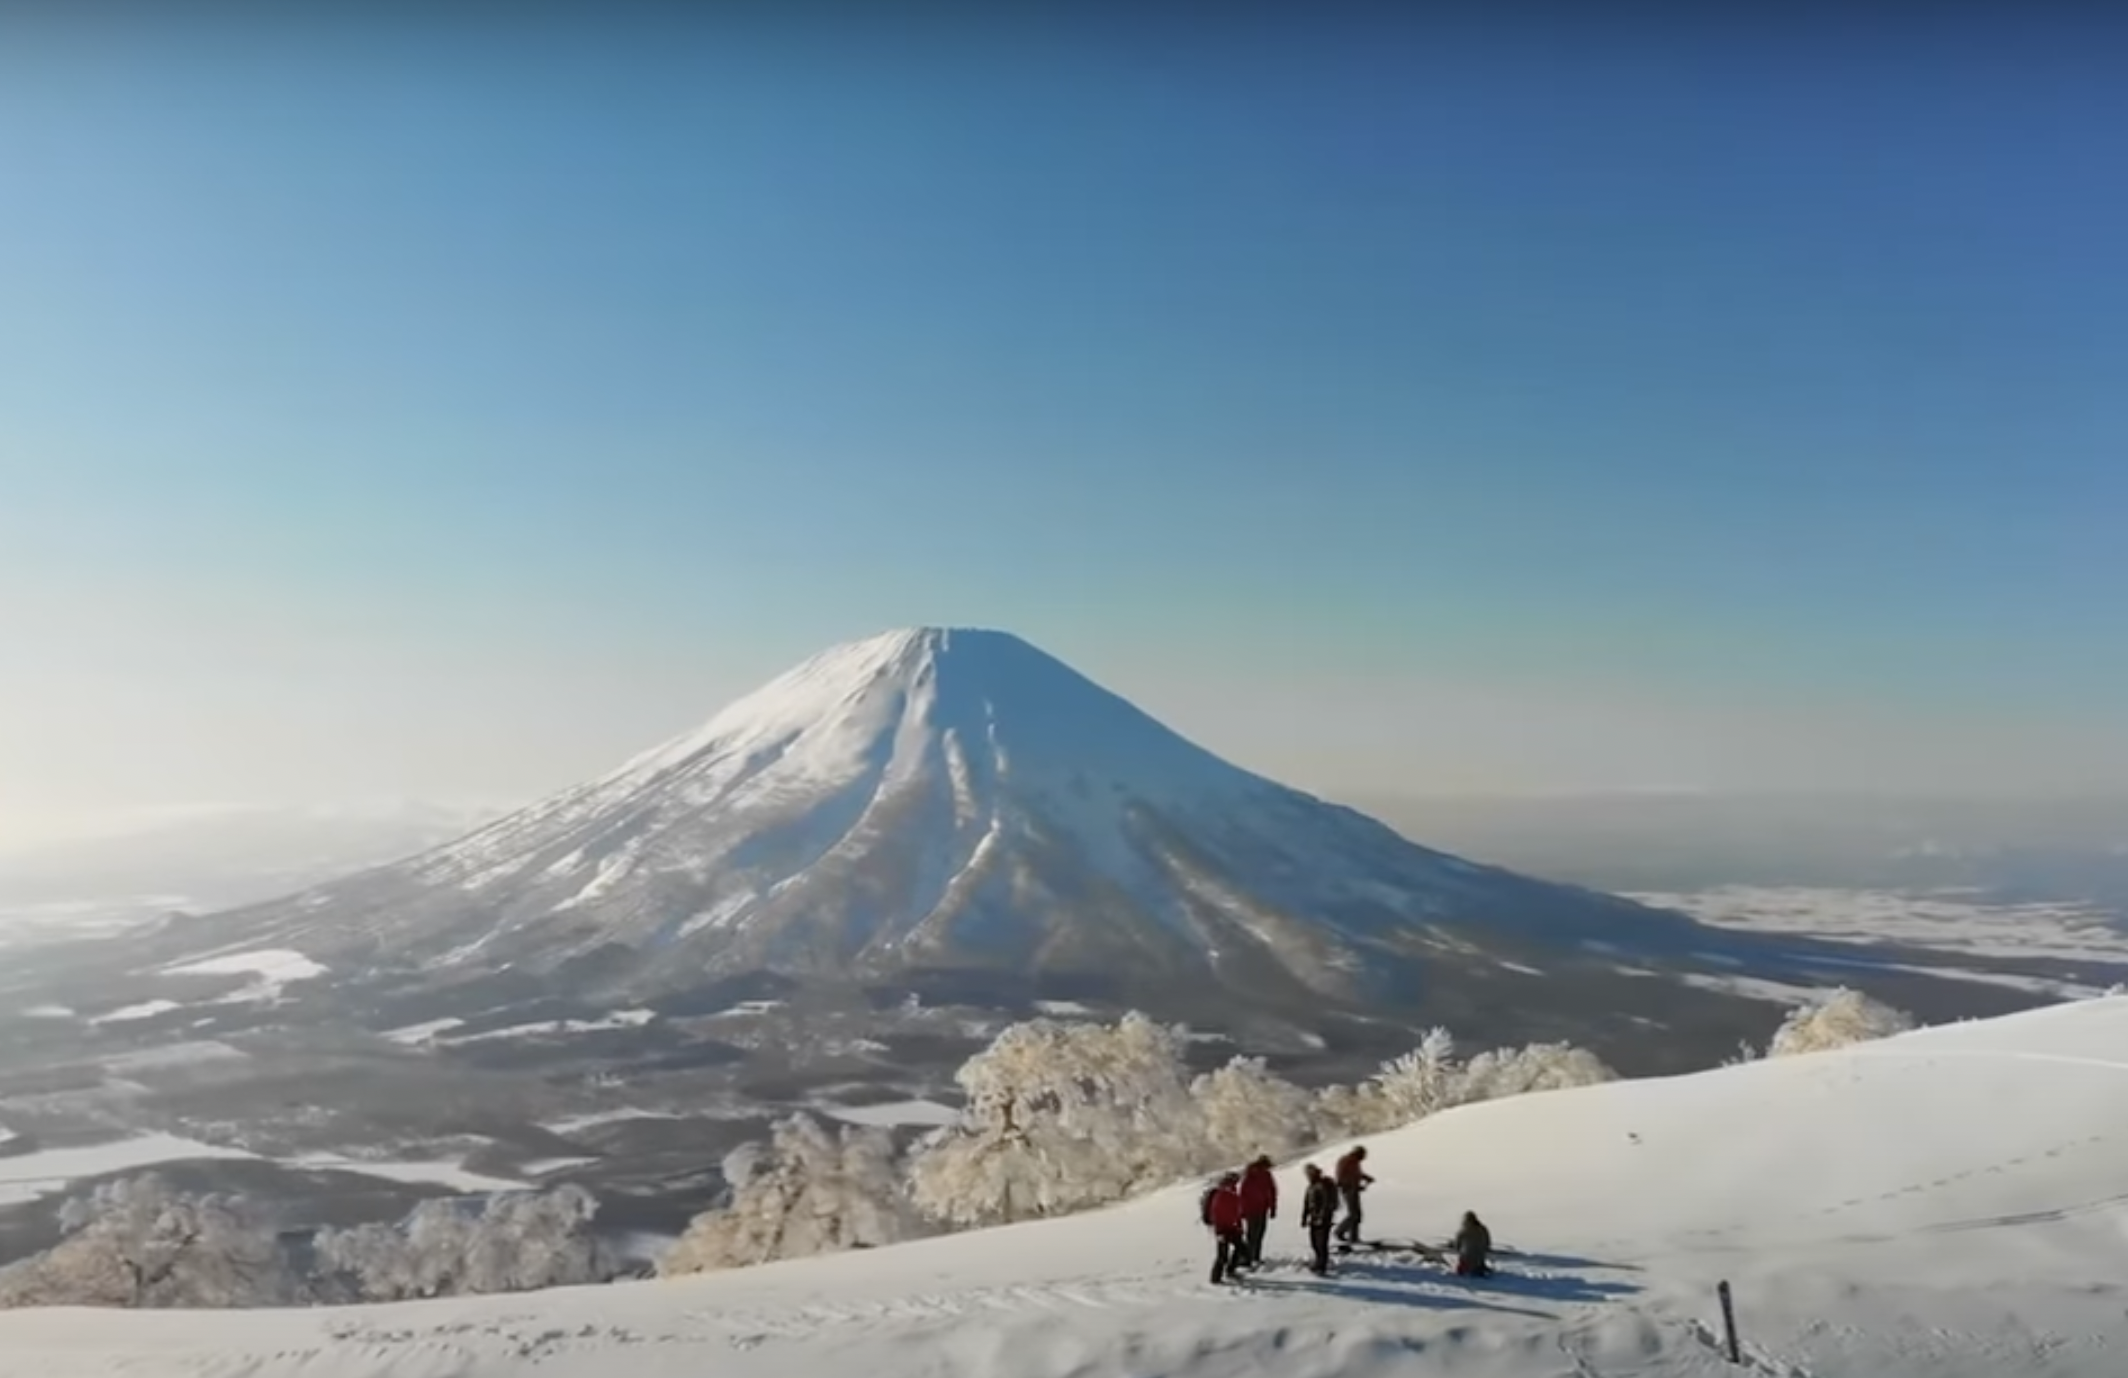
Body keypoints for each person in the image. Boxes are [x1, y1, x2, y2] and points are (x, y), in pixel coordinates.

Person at [1205, 1171, 1248, 1284]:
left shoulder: (1233, 1193)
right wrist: (1219, 1231)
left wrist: (1239, 1225)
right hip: (1223, 1228)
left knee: (1240, 1248)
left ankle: (1230, 1271)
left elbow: (1237, 1212)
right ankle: (1216, 1278)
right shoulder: (1220, 1195)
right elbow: (1216, 1213)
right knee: (1223, 1255)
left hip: (1231, 1227)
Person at [1299, 1163, 1339, 1275]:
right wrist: (1304, 1217)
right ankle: (1319, 1262)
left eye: (1309, 1173)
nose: (1308, 1176)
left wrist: (1322, 1217)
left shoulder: (1322, 1185)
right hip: (1314, 1218)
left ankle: (1321, 1266)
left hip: (1323, 1218)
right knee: (1314, 1242)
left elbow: (1326, 1203)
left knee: (1321, 1243)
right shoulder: (1311, 1186)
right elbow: (1306, 1203)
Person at [1237, 1154, 1278, 1267]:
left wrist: (1272, 1207)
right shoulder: (1252, 1175)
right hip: (1254, 1209)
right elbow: (1243, 1194)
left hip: (1259, 1209)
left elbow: (1272, 1191)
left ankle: (1254, 1256)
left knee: (1257, 1234)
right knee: (1254, 1234)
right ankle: (1248, 1257)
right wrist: (1272, 1207)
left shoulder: (1262, 1175)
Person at [1332, 1145, 1373, 1244]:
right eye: (1363, 1155)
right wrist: (1352, 1185)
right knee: (1354, 1214)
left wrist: (1366, 1178)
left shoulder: (1354, 1162)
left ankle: (1353, 1237)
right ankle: (1340, 1232)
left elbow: (1356, 1174)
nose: (1363, 1158)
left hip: (1352, 1190)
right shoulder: (1347, 1161)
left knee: (1356, 1215)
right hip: (1348, 1190)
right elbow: (1341, 1176)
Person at [1450, 1210, 1493, 1278]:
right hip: (1480, 1259)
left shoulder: (1465, 1230)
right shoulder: (1483, 1229)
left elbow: (1457, 1244)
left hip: (1467, 1259)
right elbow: (1487, 1243)